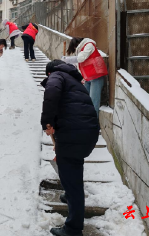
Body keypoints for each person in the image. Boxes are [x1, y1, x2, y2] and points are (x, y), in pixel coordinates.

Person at [41, 60, 99, 236]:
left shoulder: (57, 75)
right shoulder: (74, 81)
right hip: (85, 133)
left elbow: (51, 93)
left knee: (71, 177)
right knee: (73, 170)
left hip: (73, 134)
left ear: (49, 72)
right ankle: (69, 195)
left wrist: (47, 122)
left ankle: (73, 229)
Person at [62, 37, 108, 117]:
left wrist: (67, 59)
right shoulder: (82, 49)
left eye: (74, 47)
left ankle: (93, 125)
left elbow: (80, 58)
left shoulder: (89, 45)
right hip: (88, 78)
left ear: (77, 44)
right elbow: (79, 64)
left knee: (93, 103)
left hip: (96, 76)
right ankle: (86, 121)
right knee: (85, 100)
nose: (75, 49)